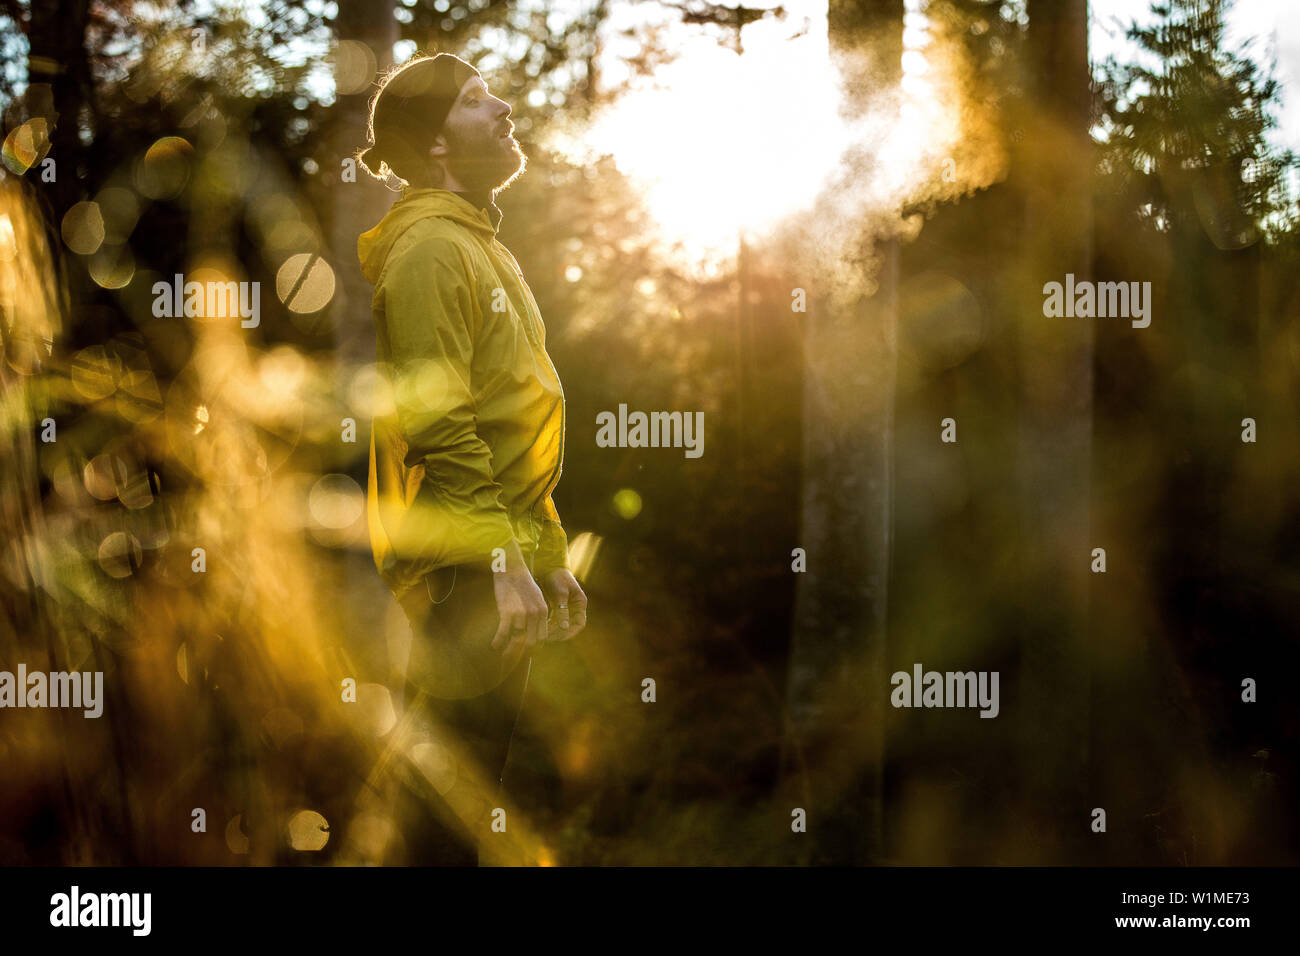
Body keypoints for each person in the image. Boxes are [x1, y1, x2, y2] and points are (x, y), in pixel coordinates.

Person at [354, 52, 588, 865]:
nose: (504, 110)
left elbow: (508, 420)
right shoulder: (428, 253)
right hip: (464, 567)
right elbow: (441, 426)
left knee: (464, 791)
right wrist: (499, 559)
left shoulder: (480, 245)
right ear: (438, 144)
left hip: (492, 555)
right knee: (445, 814)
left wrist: (545, 553)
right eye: (477, 100)